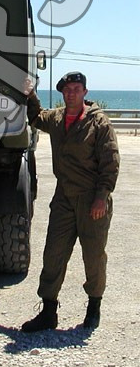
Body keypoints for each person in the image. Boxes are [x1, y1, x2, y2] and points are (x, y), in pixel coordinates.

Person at [22, 71, 120, 332]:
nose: (71, 93)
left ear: (85, 92)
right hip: (63, 198)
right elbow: (36, 117)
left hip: (92, 199)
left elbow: (110, 163)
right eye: (67, 90)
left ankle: (94, 307)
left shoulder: (98, 122)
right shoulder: (57, 118)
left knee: (94, 256)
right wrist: (30, 94)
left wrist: (101, 197)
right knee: (53, 253)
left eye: (76, 89)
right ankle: (48, 312)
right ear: (62, 93)